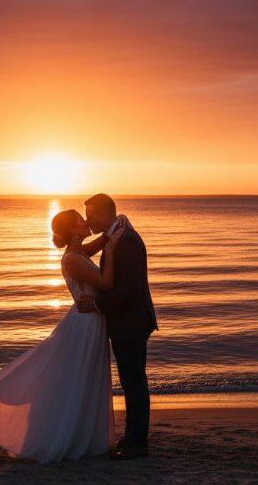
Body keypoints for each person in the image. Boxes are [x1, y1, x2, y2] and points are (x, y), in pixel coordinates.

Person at [0, 208, 125, 463]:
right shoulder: (73, 258)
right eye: (80, 220)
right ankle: (67, 436)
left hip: (91, 321)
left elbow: (99, 243)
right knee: (78, 380)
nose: (86, 221)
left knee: (85, 380)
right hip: (85, 324)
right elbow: (106, 283)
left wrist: (112, 233)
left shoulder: (78, 252)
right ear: (73, 230)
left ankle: (82, 434)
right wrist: (114, 250)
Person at [76, 193, 158, 460]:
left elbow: (128, 289)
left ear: (103, 213)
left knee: (134, 382)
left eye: (90, 215)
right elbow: (86, 252)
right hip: (126, 320)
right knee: (130, 381)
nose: (88, 221)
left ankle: (138, 443)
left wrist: (97, 305)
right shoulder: (116, 235)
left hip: (132, 321)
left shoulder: (127, 241)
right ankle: (132, 436)